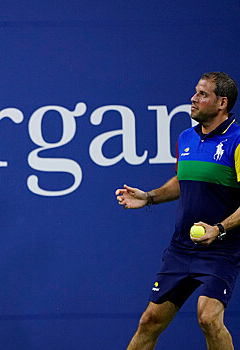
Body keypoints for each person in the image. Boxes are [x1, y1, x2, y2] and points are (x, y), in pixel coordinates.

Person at [116, 72, 240, 350]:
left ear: (222, 103)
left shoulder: (237, 140)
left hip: (221, 249)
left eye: (202, 94)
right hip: (182, 248)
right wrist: (148, 197)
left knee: (208, 318)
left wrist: (218, 229)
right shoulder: (186, 137)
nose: (193, 98)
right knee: (150, 321)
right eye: (195, 92)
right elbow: (184, 181)